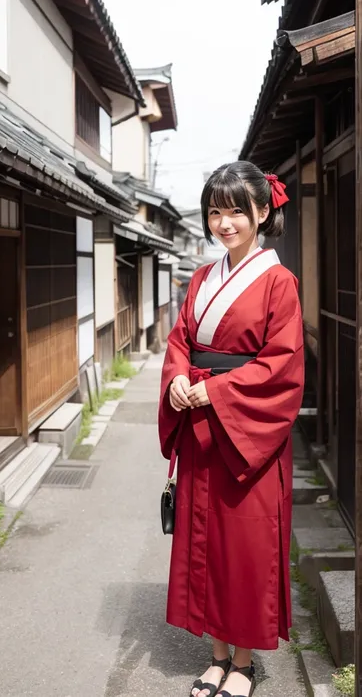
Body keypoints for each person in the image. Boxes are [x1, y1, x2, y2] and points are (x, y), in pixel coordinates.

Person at [158, 161, 304, 697]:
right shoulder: (201, 277)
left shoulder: (279, 282)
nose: (224, 223)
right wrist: (176, 379)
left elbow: (282, 365)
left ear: (263, 212)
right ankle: (215, 657)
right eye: (215, 211)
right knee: (205, 542)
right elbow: (181, 340)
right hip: (200, 429)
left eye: (236, 211)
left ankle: (243, 665)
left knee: (244, 546)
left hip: (245, 434)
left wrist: (215, 392)